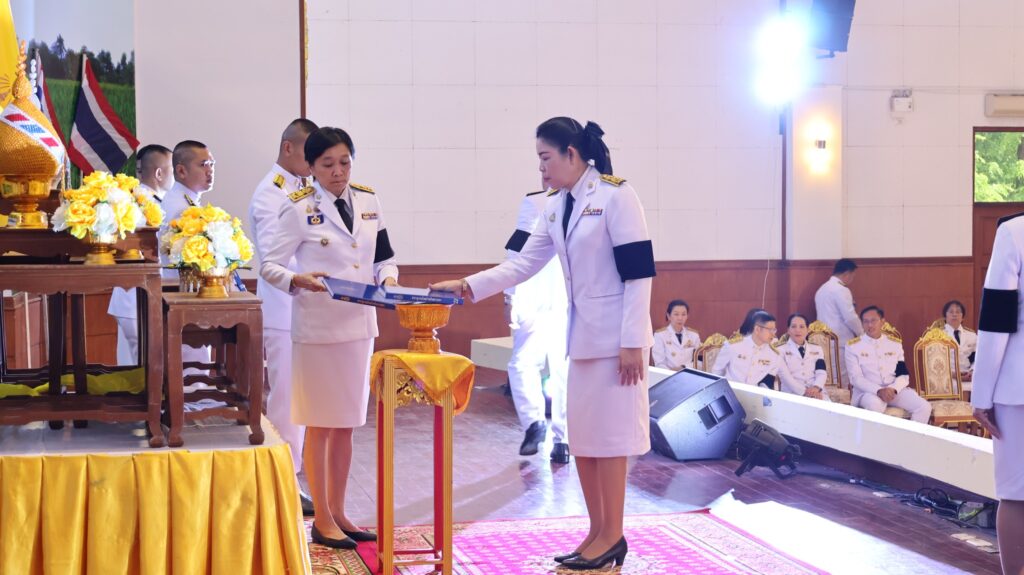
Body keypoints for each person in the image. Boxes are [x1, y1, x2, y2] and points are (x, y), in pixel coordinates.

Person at [430, 117, 654, 571]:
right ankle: (596, 532)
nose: (541, 169)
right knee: (586, 441)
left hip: (618, 343)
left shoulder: (616, 196)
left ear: (572, 153)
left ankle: (613, 535)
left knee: (611, 441)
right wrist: (468, 285)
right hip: (582, 339)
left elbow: (639, 273)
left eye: (545, 158)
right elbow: (522, 264)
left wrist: (633, 341)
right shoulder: (554, 205)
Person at [260, 126, 395, 550]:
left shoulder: (369, 200)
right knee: (320, 425)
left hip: (358, 327)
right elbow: (270, 265)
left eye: (344, 162)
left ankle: (339, 511)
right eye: (328, 164)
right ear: (312, 167)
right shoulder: (298, 207)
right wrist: (298, 279)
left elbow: (385, 257)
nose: (338, 172)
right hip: (318, 330)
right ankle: (321, 518)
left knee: (346, 425)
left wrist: (388, 279)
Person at [248, 118, 319, 514]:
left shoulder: (304, 188)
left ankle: (294, 474)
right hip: (284, 307)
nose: (314, 162)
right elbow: (275, 256)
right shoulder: (270, 193)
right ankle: (283, 480)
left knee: (304, 399)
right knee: (288, 400)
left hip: (310, 310)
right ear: (288, 147)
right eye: (309, 153)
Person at [972, 212, 1024, 575]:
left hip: (1017, 387)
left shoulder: (1014, 231)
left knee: (1017, 493)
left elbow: (996, 321)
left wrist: (981, 396)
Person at [503, 186, 570, 463]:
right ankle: (535, 424)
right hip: (532, 297)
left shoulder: (586, 200)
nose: (544, 172)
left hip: (566, 298)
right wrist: (510, 296)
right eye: (541, 166)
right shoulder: (534, 201)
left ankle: (562, 438)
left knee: (564, 368)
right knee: (521, 363)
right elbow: (516, 250)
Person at [107, 144, 174, 365]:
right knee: (145, 365)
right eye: (172, 169)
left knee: (129, 363)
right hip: (137, 297)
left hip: (131, 298)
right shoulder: (143, 206)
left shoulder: (134, 201)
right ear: (159, 173)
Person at [845, 306, 931, 423]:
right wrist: (878, 390)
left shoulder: (894, 344)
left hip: (893, 390)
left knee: (923, 407)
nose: (870, 325)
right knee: (875, 405)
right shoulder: (853, 346)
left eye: (873, 320)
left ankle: (910, 435)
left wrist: (894, 389)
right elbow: (856, 378)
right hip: (868, 392)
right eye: (866, 321)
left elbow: (903, 374)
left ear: (882, 322)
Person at [160, 140, 216, 279]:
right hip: (180, 286)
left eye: (211, 164)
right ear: (181, 171)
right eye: (203, 165)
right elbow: (185, 264)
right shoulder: (181, 209)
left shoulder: (183, 199)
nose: (210, 170)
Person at [711, 311, 796, 391]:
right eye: (770, 330)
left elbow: (767, 383)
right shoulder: (733, 346)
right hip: (730, 392)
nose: (773, 334)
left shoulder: (774, 355)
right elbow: (717, 372)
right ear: (757, 329)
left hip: (753, 396)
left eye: (774, 330)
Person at [814, 259, 863, 381]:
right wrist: (862, 334)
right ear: (847, 274)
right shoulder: (841, 290)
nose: (852, 279)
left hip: (823, 340)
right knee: (843, 378)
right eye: (852, 276)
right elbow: (850, 317)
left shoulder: (822, 289)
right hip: (840, 341)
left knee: (829, 378)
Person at [777, 313, 830, 401]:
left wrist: (816, 388)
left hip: (817, 392)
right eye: (793, 326)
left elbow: (821, 372)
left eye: (802, 327)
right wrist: (805, 392)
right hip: (792, 394)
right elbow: (785, 377)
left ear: (808, 330)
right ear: (788, 330)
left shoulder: (817, 349)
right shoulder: (779, 350)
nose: (798, 330)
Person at [652, 300, 700, 371]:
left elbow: (699, 362)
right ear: (668, 316)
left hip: (688, 374)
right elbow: (659, 363)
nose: (680, 318)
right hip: (667, 375)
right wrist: (672, 372)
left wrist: (683, 368)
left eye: (683, 314)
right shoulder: (660, 335)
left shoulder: (694, 335)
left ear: (687, 316)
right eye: (676, 314)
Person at [941, 300, 977, 379]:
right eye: (951, 312)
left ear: (962, 317)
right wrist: (953, 375)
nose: (954, 314)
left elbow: (978, 358)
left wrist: (972, 371)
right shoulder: (939, 337)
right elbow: (936, 364)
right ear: (945, 317)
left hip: (970, 376)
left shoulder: (972, 336)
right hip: (948, 378)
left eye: (958, 312)